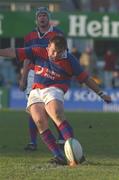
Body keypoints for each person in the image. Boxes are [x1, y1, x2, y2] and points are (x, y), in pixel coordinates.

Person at [0, 35, 112, 166]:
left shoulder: (70, 60)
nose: (54, 54)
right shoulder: (38, 50)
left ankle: (75, 153)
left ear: (64, 50)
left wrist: (101, 93)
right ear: (48, 46)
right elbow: (13, 51)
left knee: (56, 112)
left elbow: (86, 78)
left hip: (55, 89)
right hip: (36, 90)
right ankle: (58, 156)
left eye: (59, 52)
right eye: (52, 51)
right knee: (39, 120)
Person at [19, 7, 65, 151]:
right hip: (34, 73)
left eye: (45, 15)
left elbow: (64, 55)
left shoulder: (57, 33)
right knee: (34, 108)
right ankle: (33, 142)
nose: (42, 18)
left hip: (52, 73)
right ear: (36, 19)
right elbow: (26, 58)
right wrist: (23, 77)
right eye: (40, 16)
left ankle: (61, 137)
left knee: (51, 107)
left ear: (48, 18)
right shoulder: (29, 36)